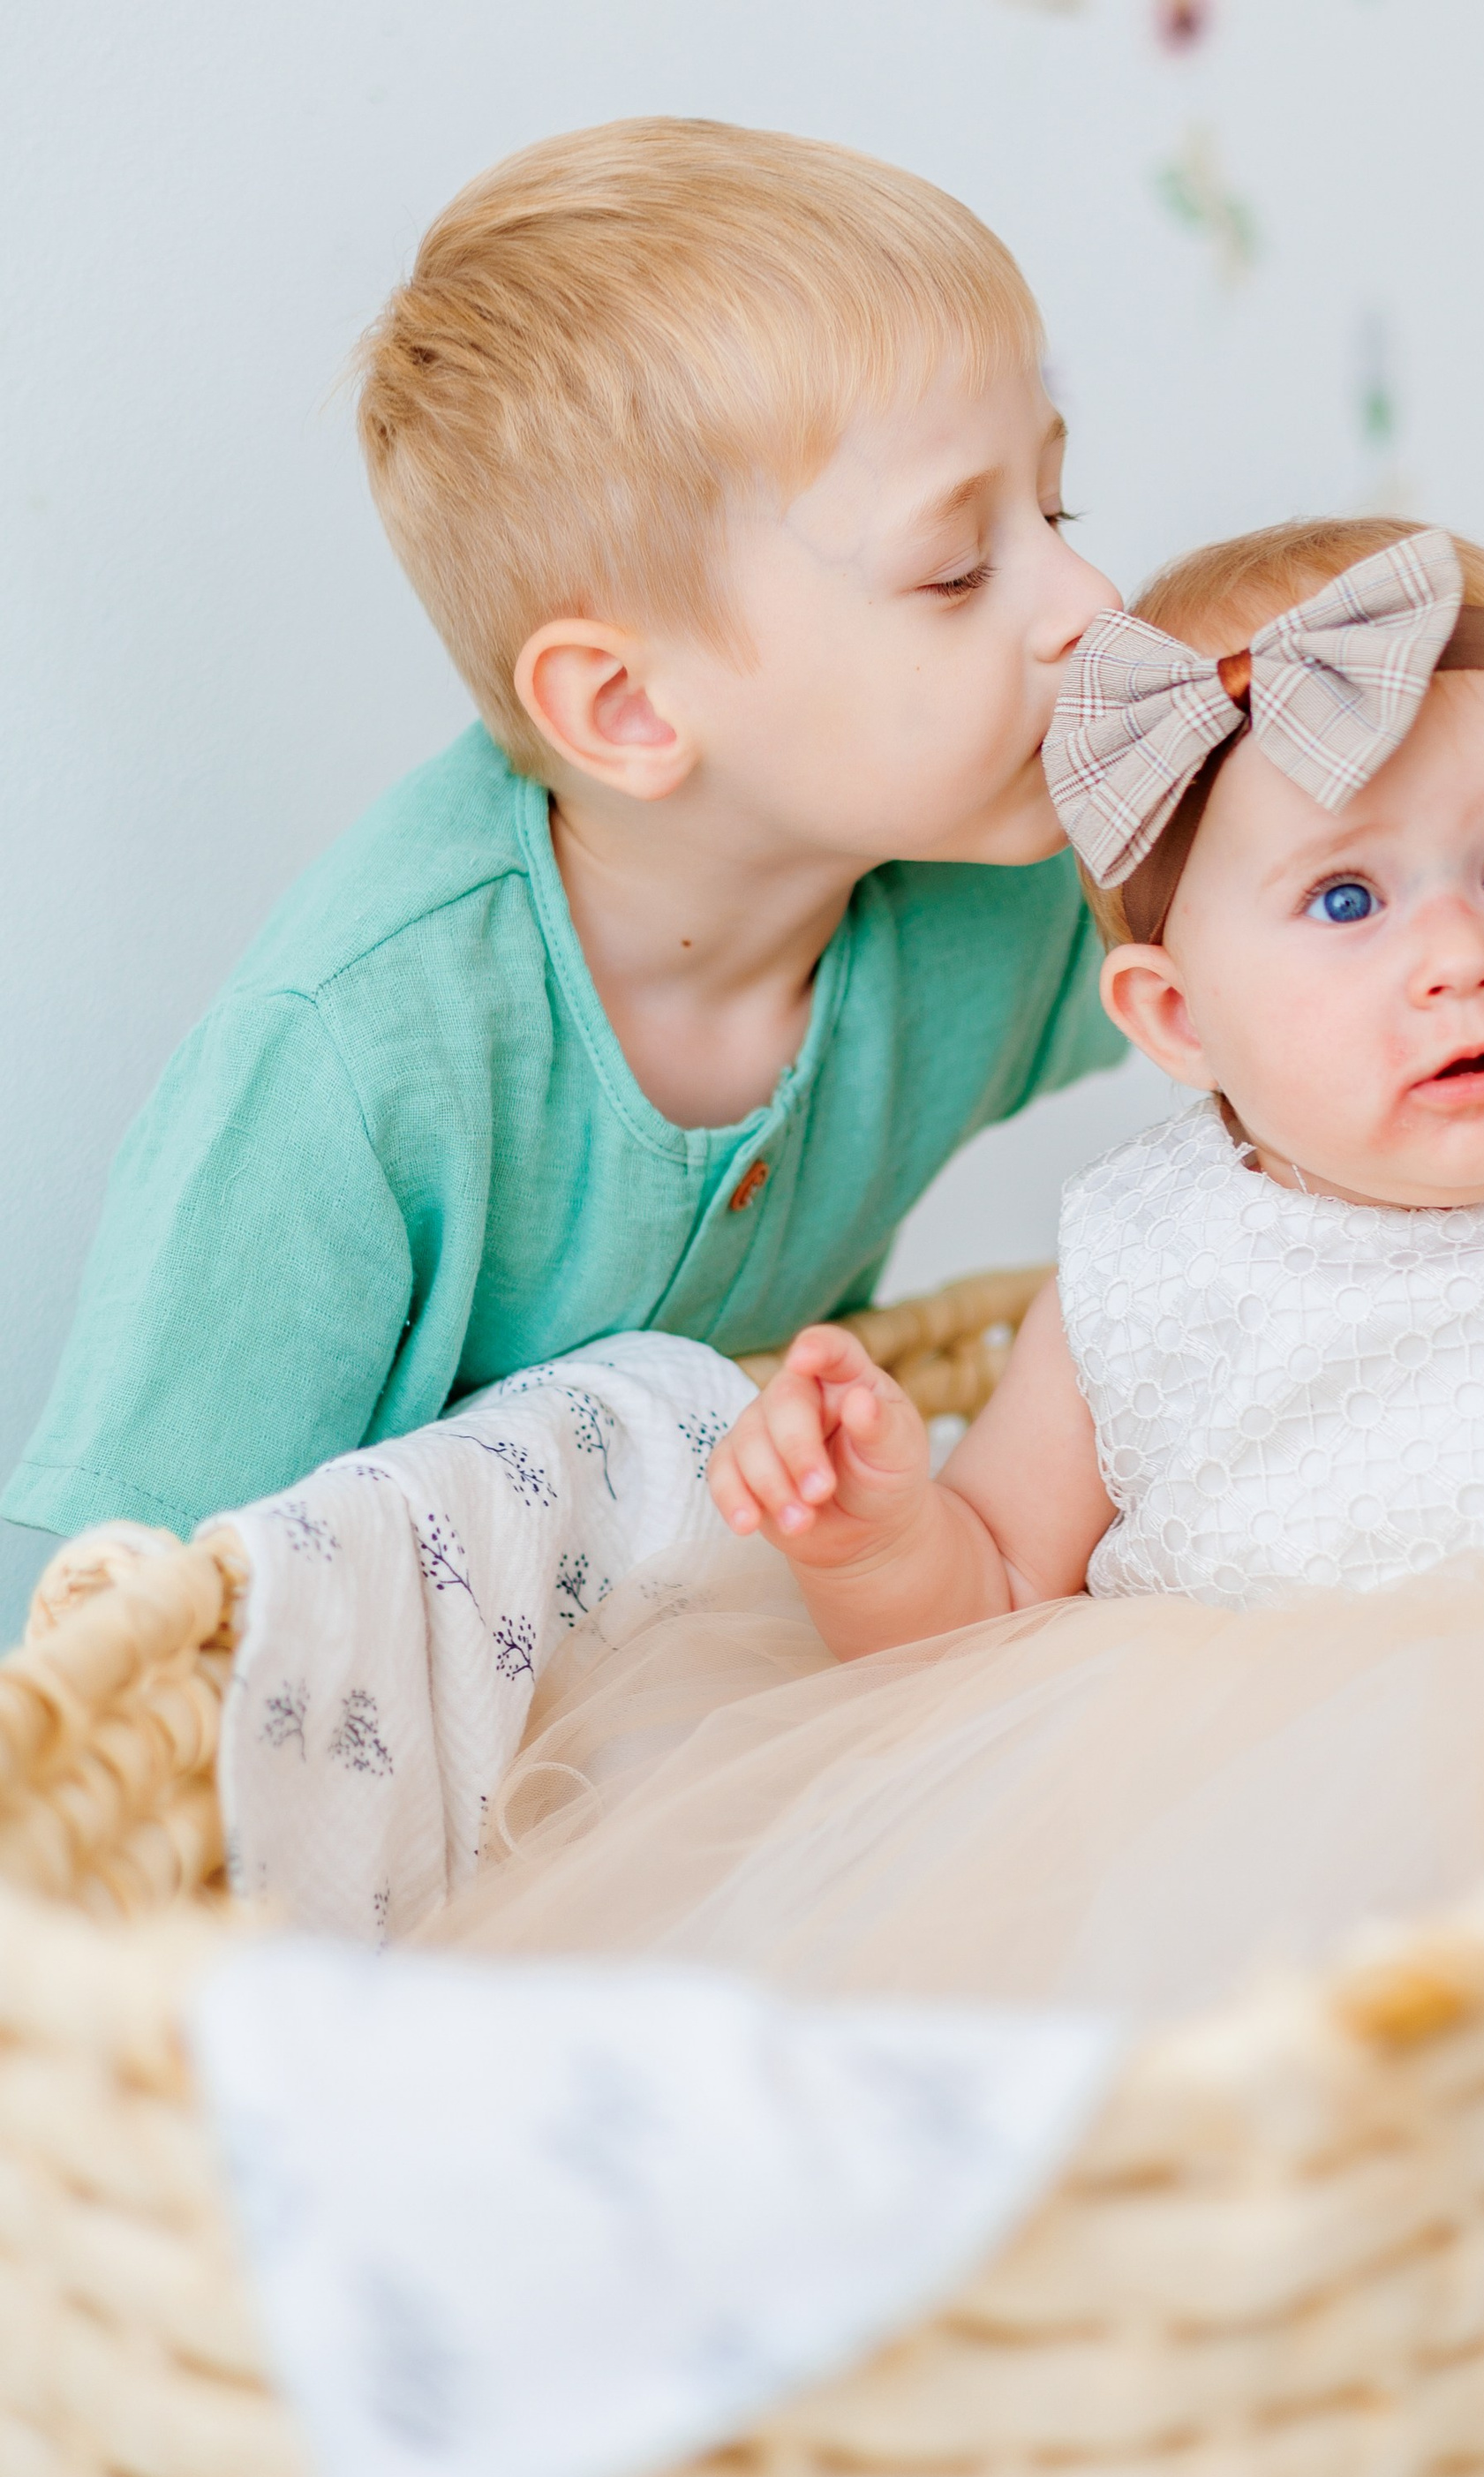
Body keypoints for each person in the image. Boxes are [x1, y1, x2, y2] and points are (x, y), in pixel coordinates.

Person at [426, 518, 1484, 2016]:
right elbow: (984, 1610)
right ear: (1173, 1018)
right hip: (1207, 1861)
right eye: (1346, 903)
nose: (1458, 959)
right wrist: (880, 1534)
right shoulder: (1137, 1264)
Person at [5, 120, 1121, 1545]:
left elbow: (1312, 977)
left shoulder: (999, 885)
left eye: (1058, 502)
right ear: (632, 707)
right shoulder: (351, 1066)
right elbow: (106, 1623)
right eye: (958, 568)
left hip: (724, 1687)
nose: (1089, 593)